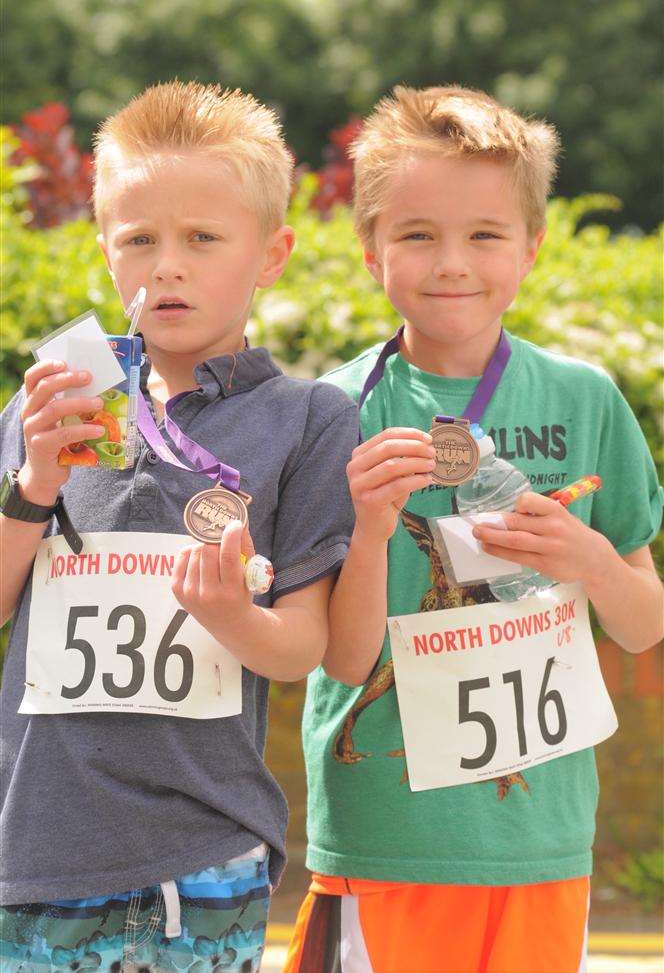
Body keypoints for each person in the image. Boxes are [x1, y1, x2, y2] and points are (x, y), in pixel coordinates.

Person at [285, 85, 663, 973]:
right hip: (385, 838)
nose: (452, 261)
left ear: (532, 248)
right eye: (417, 233)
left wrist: (593, 559)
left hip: (539, 838)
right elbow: (339, 659)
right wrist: (373, 534)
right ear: (369, 247)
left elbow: (644, 622)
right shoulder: (331, 412)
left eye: (485, 234)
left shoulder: (585, 399)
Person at [0, 81, 357, 972]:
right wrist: (33, 484)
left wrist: (236, 617)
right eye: (140, 240)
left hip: (205, 859)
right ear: (105, 252)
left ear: (271, 253)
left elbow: (301, 644)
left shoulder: (308, 419)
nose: (168, 266)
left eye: (203, 239)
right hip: (34, 849)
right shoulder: (49, 403)